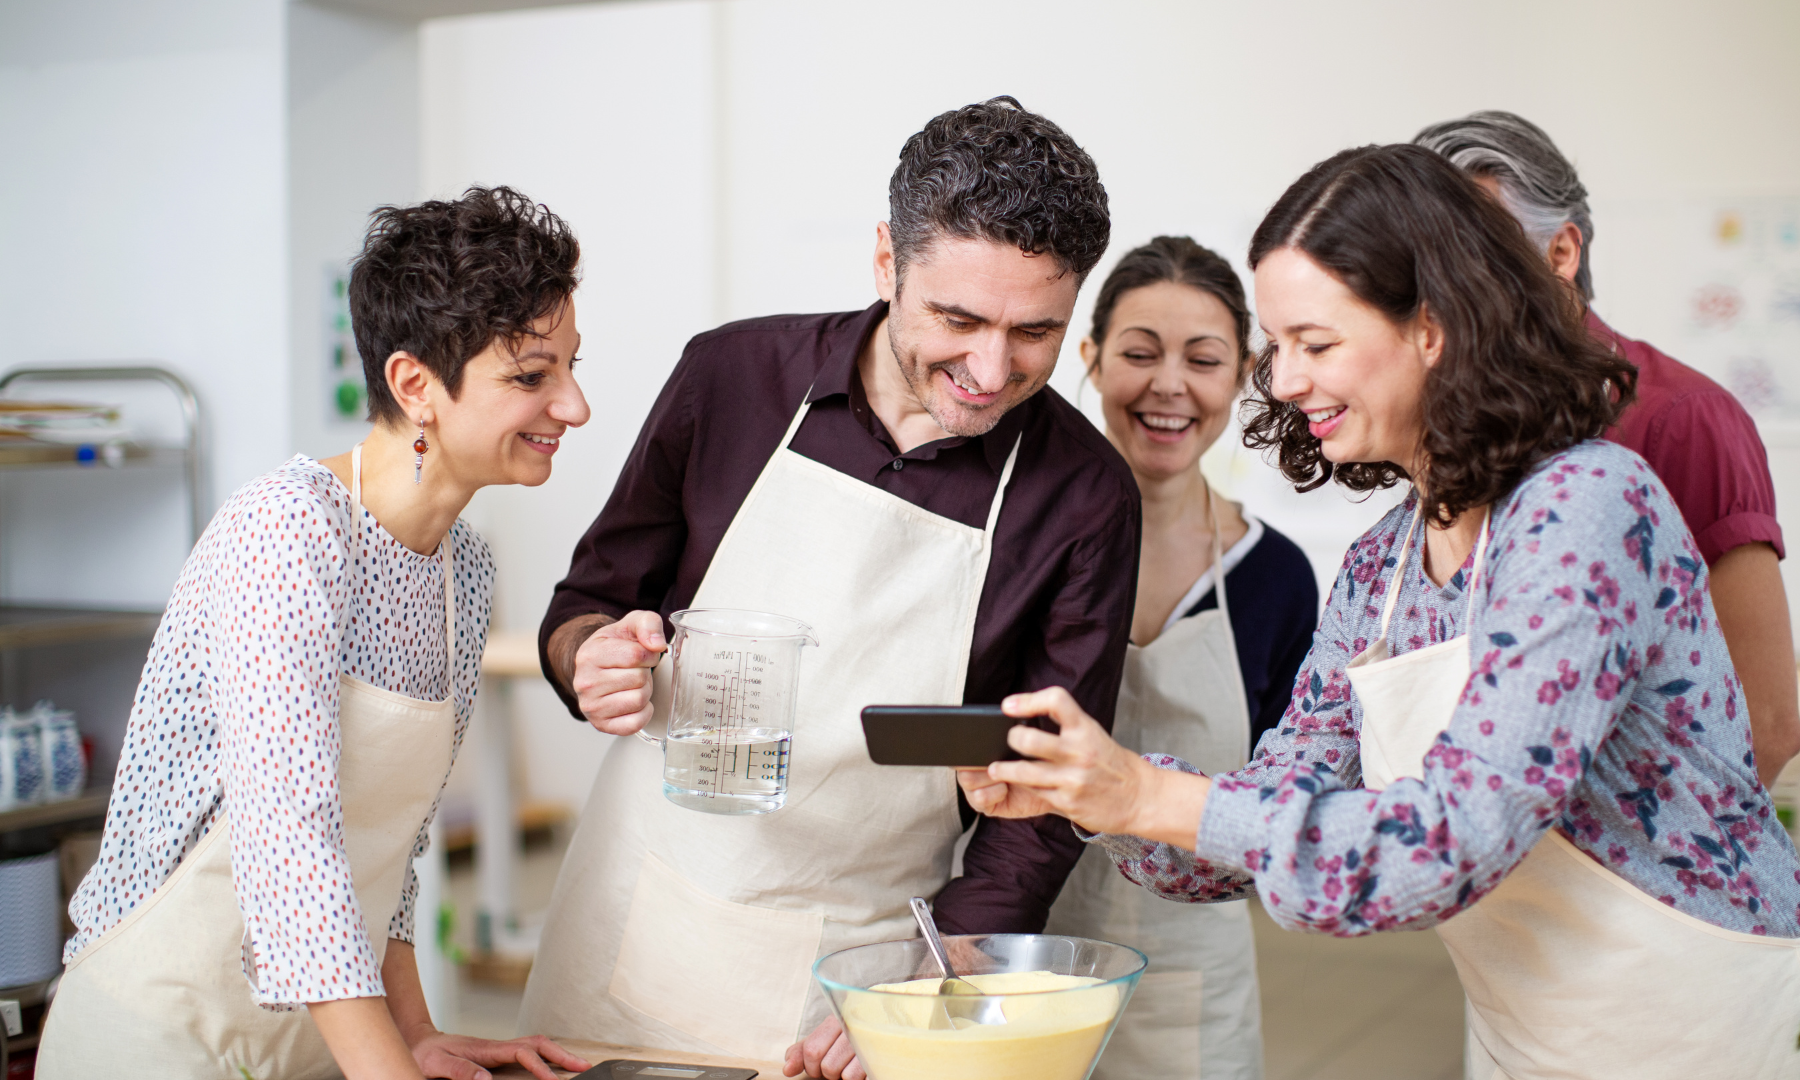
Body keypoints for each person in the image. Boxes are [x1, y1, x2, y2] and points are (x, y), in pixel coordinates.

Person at [958, 144, 1800, 1078]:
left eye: (1315, 344)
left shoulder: (1585, 508)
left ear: (1433, 327)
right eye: (1278, 348)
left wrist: (1151, 794)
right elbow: (1266, 821)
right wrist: (1094, 794)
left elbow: (1450, 841)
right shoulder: (1381, 568)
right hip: (1538, 1039)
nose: (1280, 382)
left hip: (1726, 1032)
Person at [518, 97, 1137, 1080]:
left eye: (1034, 333)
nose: (989, 368)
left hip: (862, 970)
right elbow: (586, 602)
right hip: (641, 923)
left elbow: (1046, 799)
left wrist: (931, 988)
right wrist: (586, 656)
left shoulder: (1084, 495)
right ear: (887, 262)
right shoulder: (733, 378)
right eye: (958, 319)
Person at [38, 187, 594, 1080]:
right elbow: (287, 839)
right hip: (158, 1038)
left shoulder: (465, 568)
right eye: (532, 377)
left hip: (317, 1044)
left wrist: (414, 1035)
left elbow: (391, 843)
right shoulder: (288, 534)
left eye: (570, 367)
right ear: (416, 385)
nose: (573, 407)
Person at [1414, 111, 1800, 787]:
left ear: (1561, 252)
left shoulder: (1683, 418)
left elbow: (1765, 728)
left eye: (1474, 254)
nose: (1443, 291)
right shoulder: (1446, 417)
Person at [1041, 236, 1315, 1080]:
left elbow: (1291, 796)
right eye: (1138, 353)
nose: (1169, 385)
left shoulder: (1276, 578)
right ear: (1089, 359)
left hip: (1192, 973)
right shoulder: (1030, 548)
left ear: (1243, 376)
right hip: (1027, 953)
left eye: (1203, 359)